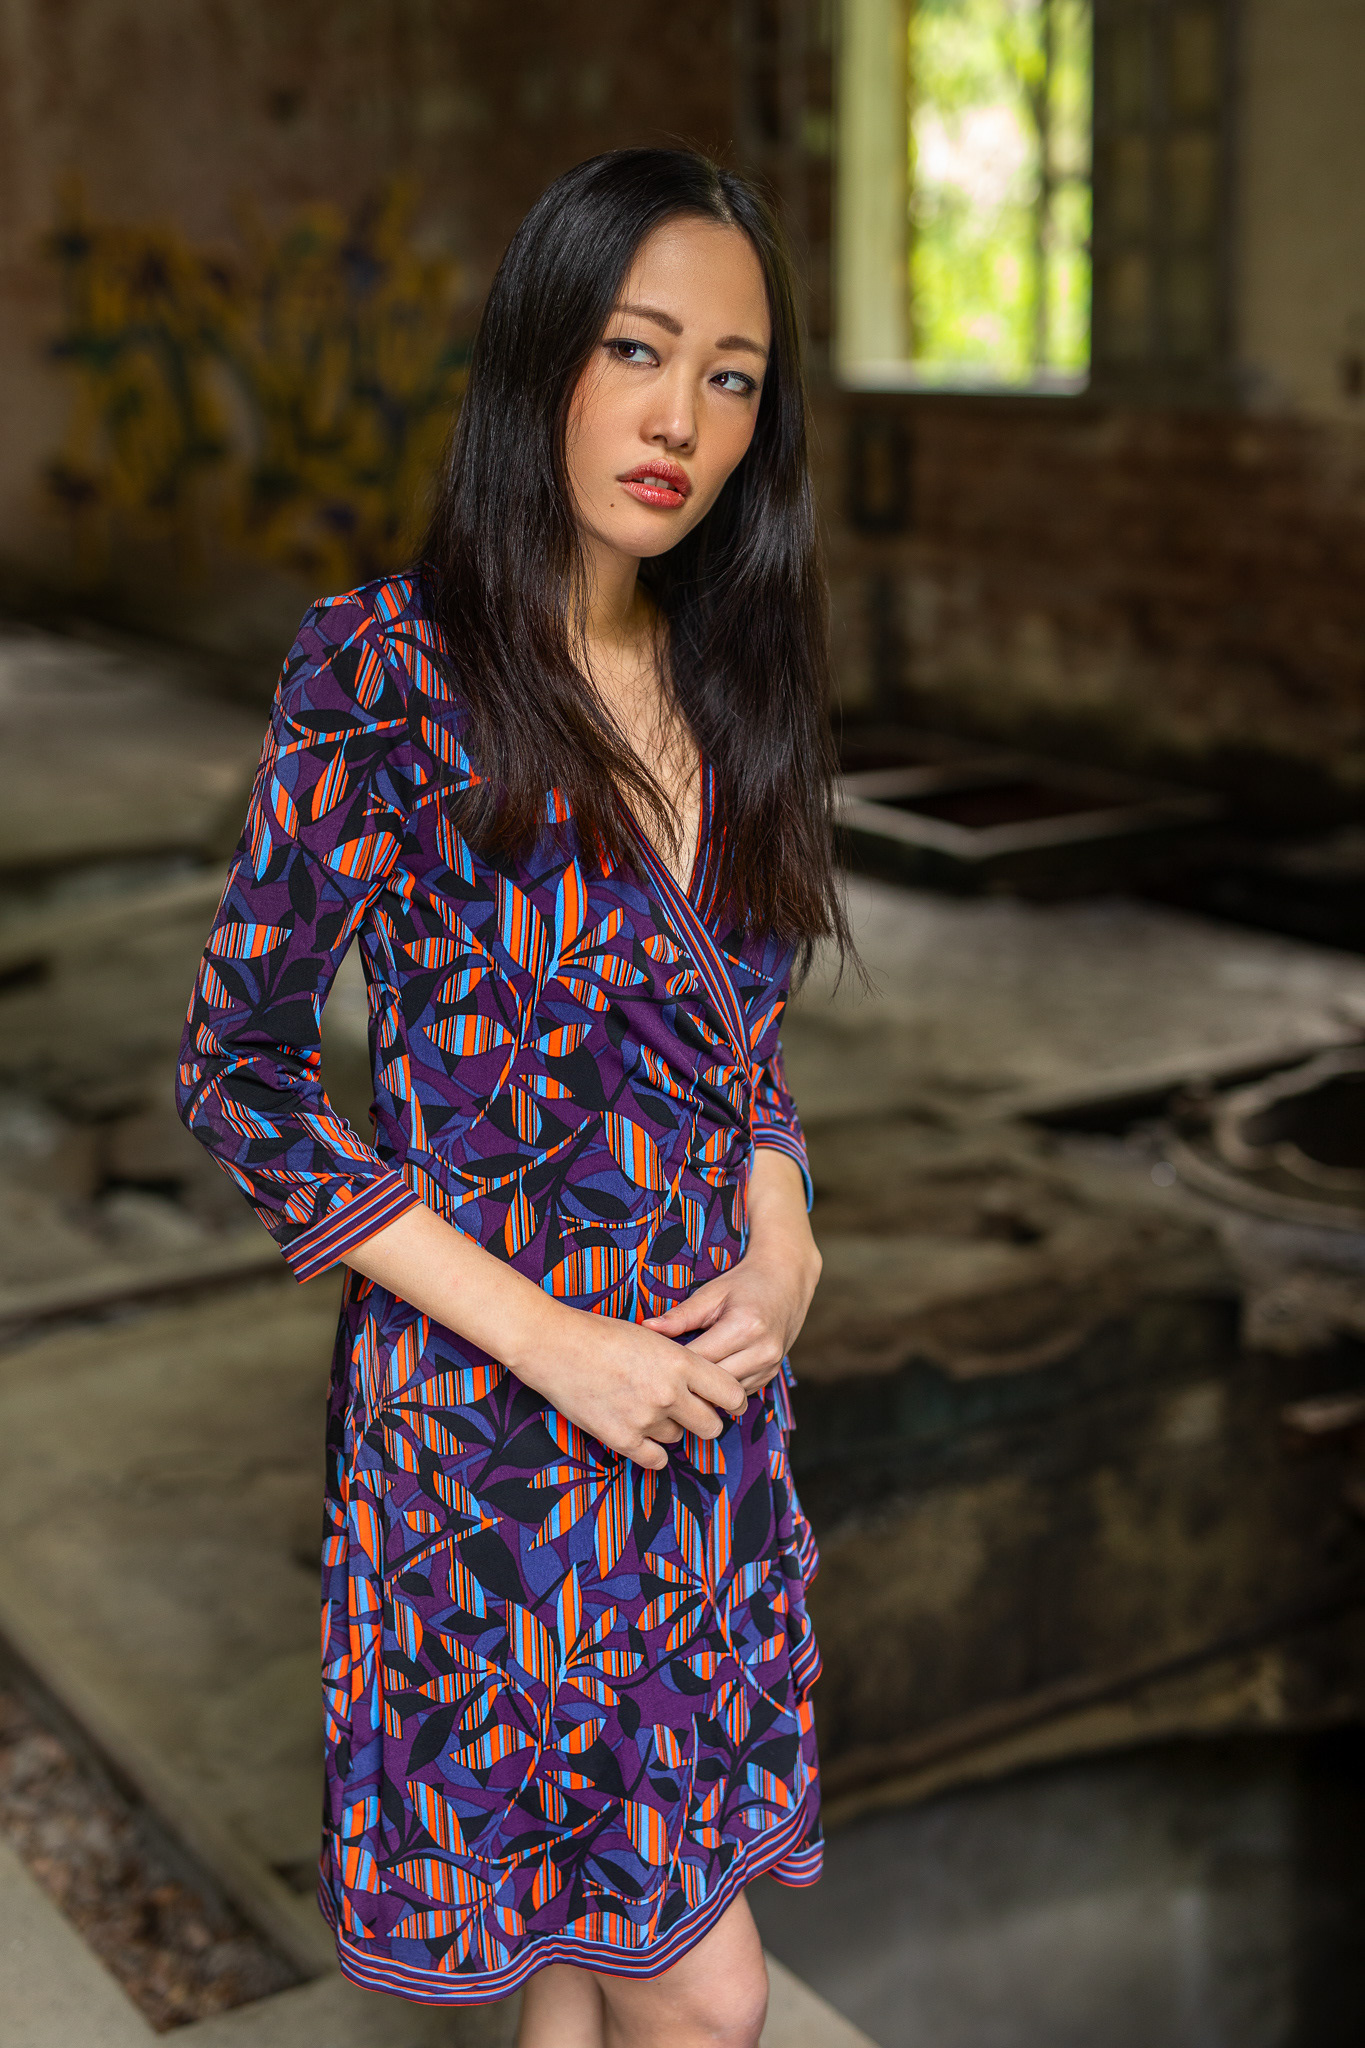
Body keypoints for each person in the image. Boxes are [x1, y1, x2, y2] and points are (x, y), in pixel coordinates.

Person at [176, 146, 850, 2047]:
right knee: (705, 1999)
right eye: (636, 348)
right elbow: (238, 1071)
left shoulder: (730, 670)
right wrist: (558, 1349)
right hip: (491, 1443)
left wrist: (785, 1225)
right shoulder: (384, 671)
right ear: (541, 350)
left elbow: (734, 1038)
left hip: (698, 1430)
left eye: (731, 375)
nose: (680, 417)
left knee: (573, 1973)